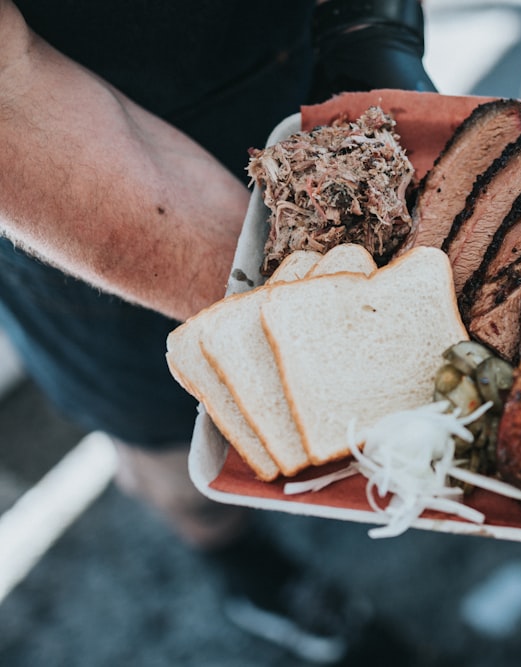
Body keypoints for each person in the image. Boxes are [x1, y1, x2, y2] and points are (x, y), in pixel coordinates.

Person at [0, 1, 435, 663]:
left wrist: (372, 34)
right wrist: (269, 305)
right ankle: (249, 572)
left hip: (302, 65)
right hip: (86, 185)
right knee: (181, 463)